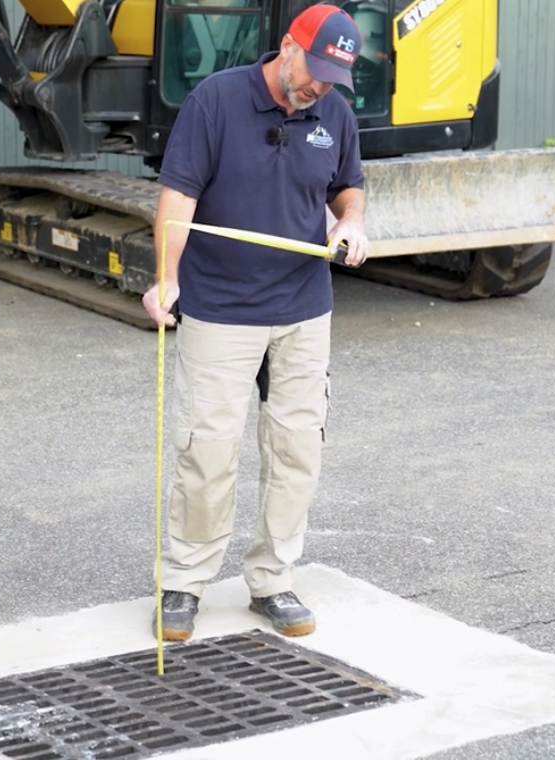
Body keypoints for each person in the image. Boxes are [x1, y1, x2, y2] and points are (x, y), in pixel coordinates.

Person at [142, 3, 369, 640]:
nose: (319, 85)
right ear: (287, 46)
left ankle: (272, 579)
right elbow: (177, 200)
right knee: (208, 448)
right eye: (316, 69)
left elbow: (348, 188)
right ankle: (184, 582)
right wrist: (167, 276)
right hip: (222, 306)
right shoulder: (216, 102)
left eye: (333, 77)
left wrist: (352, 222)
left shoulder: (335, 114)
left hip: (303, 309)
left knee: (297, 446)